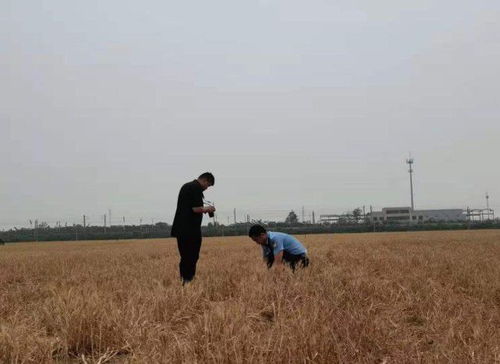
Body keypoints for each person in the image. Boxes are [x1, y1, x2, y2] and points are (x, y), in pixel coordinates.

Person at [171, 172, 216, 284]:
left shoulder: (188, 186)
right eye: (208, 185)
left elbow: (192, 208)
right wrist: (208, 209)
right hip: (189, 229)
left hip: (182, 229)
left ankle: (185, 281)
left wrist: (203, 209)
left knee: (186, 256)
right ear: (205, 180)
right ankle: (188, 281)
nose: (206, 188)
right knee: (191, 256)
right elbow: (196, 208)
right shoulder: (195, 188)